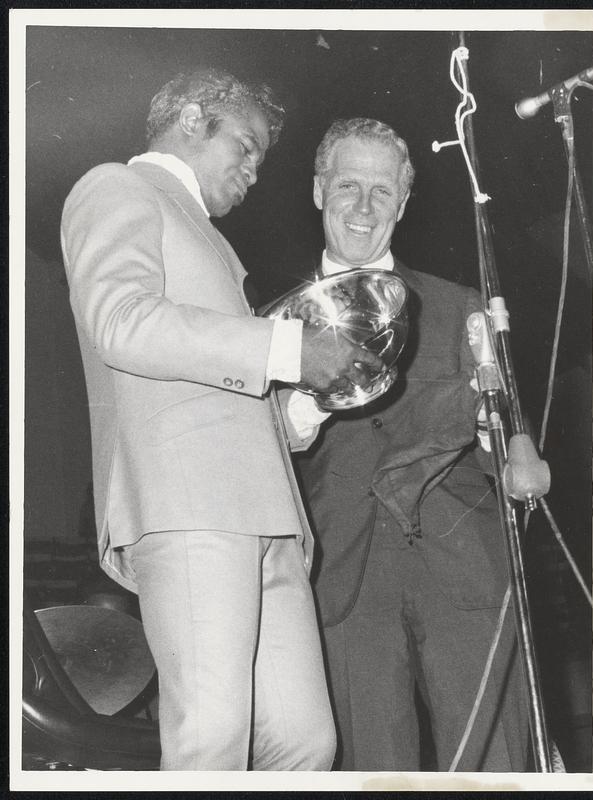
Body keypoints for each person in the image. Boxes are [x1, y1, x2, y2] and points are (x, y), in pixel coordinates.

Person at [60, 72, 384, 771]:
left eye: (260, 161)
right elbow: (122, 323)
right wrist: (291, 347)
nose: (253, 172)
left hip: (264, 513)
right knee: (212, 734)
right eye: (244, 147)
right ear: (189, 117)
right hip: (189, 505)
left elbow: (220, 382)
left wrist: (298, 411)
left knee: (303, 743)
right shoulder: (118, 186)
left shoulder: (208, 237)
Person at [293, 118, 530, 771]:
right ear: (317, 191)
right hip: (341, 582)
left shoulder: (461, 308)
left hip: (463, 573)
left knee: (496, 768)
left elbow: (509, 444)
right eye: (347, 186)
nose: (363, 207)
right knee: (366, 771)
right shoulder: (266, 324)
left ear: (402, 202)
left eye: (381, 190)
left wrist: (494, 433)